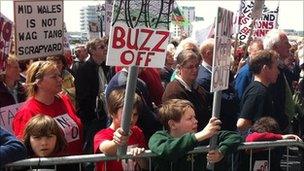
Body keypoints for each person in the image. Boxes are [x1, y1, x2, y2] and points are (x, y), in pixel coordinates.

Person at [12, 61, 83, 157]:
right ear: (39, 82)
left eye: (59, 75)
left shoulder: (64, 99)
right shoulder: (27, 112)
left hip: (76, 163)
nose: (60, 79)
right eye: (54, 77)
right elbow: (25, 150)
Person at [148, 99, 243, 171]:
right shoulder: (158, 137)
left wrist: (221, 152)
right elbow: (167, 149)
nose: (196, 121)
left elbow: (235, 137)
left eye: (194, 117)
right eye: (190, 118)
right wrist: (199, 136)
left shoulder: (201, 136)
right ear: (172, 124)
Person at [94, 89, 147, 171]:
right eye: (127, 114)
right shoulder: (102, 134)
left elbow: (145, 165)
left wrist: (140, 156)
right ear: (112, 113)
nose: (132, 119)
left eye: (135, 114)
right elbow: (105, 148)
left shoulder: (137, 132)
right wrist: (116, 142)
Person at [75, 38, 111, 158]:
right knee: (91, 149)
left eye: (105, 46)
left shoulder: (107, 66)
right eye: (101, 47)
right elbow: (83, 97)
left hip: (106, 114)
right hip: (92, 117)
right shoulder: (83, 69)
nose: (105, 49)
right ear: (91, 50)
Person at [162, 49, 211, 131]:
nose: (195, 70)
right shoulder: (174, 91)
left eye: (197, 66)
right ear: (179, 68)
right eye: (190, 67)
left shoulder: (198, 88)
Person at [196, 38, 238, 131]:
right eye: (221, 51)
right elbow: (226, 102)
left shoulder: (219, 71)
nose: (225, 55)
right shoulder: (204, 79)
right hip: (219, 129)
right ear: (208, 53)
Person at [237, 50, 280, 134]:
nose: (278, 72)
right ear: (265, 68)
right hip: (259, 145)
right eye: (276, 67)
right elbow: (242, 124)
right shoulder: (258, 92)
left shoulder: (260, 89)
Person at [263, 29, 295, 131]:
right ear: (275, 47)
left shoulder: (283, 69)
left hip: (281, 126)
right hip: (272, 129)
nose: (290, 46)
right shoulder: (263, 70)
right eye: (286, 43)